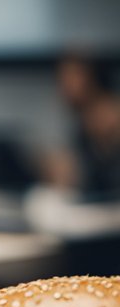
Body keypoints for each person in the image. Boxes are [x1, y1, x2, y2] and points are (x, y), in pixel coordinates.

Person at [48, 55, 120, 200]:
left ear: (92, 77)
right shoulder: (81, 128)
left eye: (71, 77)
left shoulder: (113, 118)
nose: (63, 86)